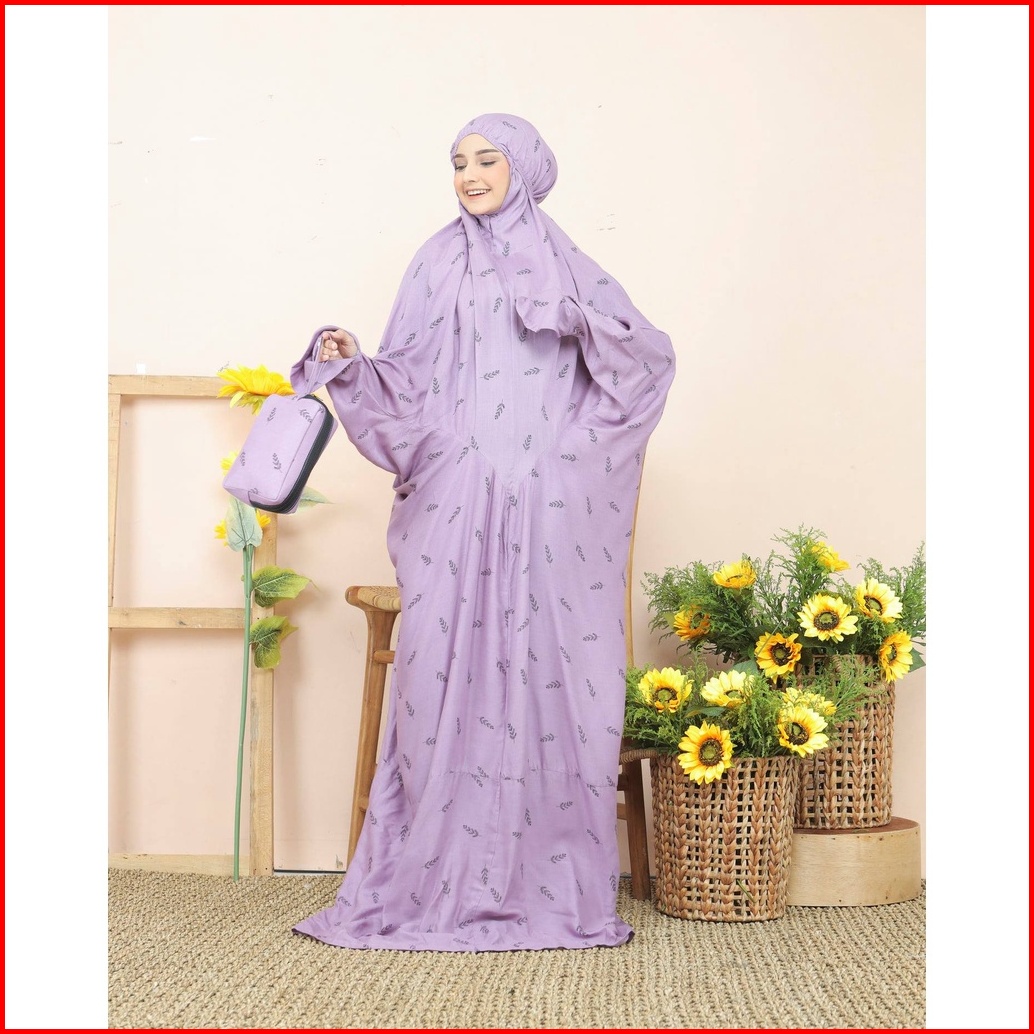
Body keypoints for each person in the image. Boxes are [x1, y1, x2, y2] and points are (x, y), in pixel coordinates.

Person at [292, 113, 675, 951]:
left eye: (487, 160)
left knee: (555, 672)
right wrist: (352, 361)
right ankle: (431, 874)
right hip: (454, 500)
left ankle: (548, 880)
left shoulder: (570, 264)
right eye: (458, 162)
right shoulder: (435, 262)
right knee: (435, 669)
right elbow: (406, 379)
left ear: (524, 167)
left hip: (551, 508)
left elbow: (645, 361)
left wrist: (574, 361)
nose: (469, 175)